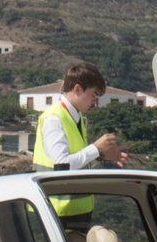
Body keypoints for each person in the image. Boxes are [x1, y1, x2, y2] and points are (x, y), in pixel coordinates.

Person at [31, 62, 129, 226]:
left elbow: (76, 159)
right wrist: (96, 149)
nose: (95, 101)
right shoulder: (54, 119)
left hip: (73, 212)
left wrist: (101, 155)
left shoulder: (74, 117)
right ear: (77, 89)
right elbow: (62, 165)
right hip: (57, 215)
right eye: (93, 94)